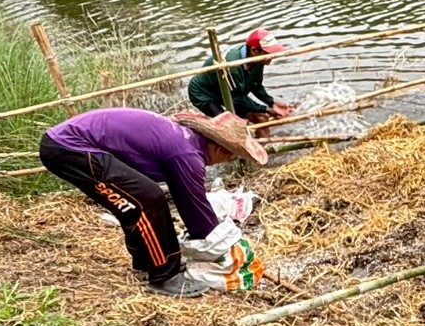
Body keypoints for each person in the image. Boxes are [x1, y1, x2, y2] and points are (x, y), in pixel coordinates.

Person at [38, 108, 268, 298]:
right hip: (71, 149)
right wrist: (222, 247)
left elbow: (188, 199)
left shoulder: (187, 143)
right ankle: (163, 276)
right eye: (231, 155)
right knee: (147, 201)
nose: (225, 161)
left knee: (139, 199)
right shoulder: (187, 155)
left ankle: (148, 262)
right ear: (219, 148)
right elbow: (194, 210)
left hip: (72, 144)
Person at [187, 29, 296, 127]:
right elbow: (237, 99)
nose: (272, 57)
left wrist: (271, 103)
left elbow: (255, 85)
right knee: (228, 126)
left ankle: (264, 145)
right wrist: (266, 109)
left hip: (228, 89)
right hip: (204, 92)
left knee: (261, 119)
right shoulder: (233, 67)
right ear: (254, 51)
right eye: (269, 53)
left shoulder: (258, 59)